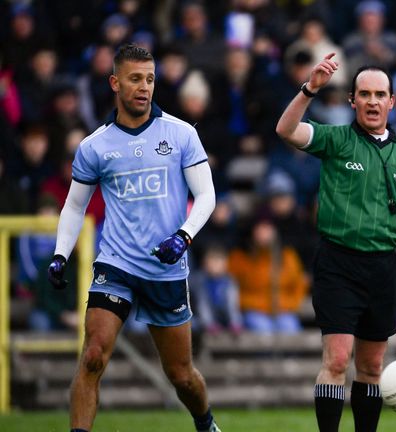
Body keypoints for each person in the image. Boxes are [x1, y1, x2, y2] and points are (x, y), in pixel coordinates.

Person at [45, 44, 220, 432]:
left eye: (150, 79)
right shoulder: (94, 146)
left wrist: (183, 237)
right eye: (135, 79)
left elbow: (206, 195)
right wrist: (61, 254)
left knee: (181, 375)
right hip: (116, 264)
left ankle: (204, 422)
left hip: (166, 269)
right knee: (92, 356)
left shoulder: (181, 134)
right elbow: (74, 207)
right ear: (115, 82)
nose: (144, 87)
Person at [276, 53, 396, 432]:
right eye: (364, 94)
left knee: (372, 366)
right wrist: (310, 88)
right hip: (337, 262)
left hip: (382, 266)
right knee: (336, 360)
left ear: (392, 101)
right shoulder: (336, 139)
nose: (373, 101)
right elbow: (286, 129)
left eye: (381, 94)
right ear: (353, 100)